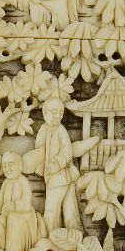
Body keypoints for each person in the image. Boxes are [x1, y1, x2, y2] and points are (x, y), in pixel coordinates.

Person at [24, 98, 81, 233]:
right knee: (66, 208)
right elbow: (40, 151)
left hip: (60, 176)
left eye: (61, 113)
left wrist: (57, 163)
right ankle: (59, 235)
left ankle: (62, 234)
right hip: (55, 176)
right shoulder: (43, 129)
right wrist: (38, 166)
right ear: (45, 113)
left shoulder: (61, 130)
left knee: (54, 210)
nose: (58, 116)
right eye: (54, 112)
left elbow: (67, 151)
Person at [0, 152, 41, 251]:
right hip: (7, 217)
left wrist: (15, 206)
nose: (7, 168)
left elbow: (26, 203)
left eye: (10, 164)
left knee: (14, 220)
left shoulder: (23, 182)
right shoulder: (6, 183)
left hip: (23, 219)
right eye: (4, 165)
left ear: (20, 166)